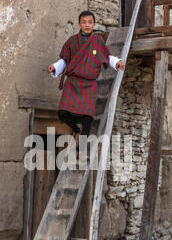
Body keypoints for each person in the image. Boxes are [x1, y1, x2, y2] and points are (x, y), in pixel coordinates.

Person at [47, 11, 125, 146]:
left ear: (94, 24)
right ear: (79, 24)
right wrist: (54, 67)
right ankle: (76, 130)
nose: (87, 25)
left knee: (87, 118)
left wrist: (117, 62)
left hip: (89, 84)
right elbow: (64, 60)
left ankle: (81, 150)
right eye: (84, 22)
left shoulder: (98, 41)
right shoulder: (72, 41)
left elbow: (107, 57)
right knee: (63, 112)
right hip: (72, 82)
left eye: (90, 22)